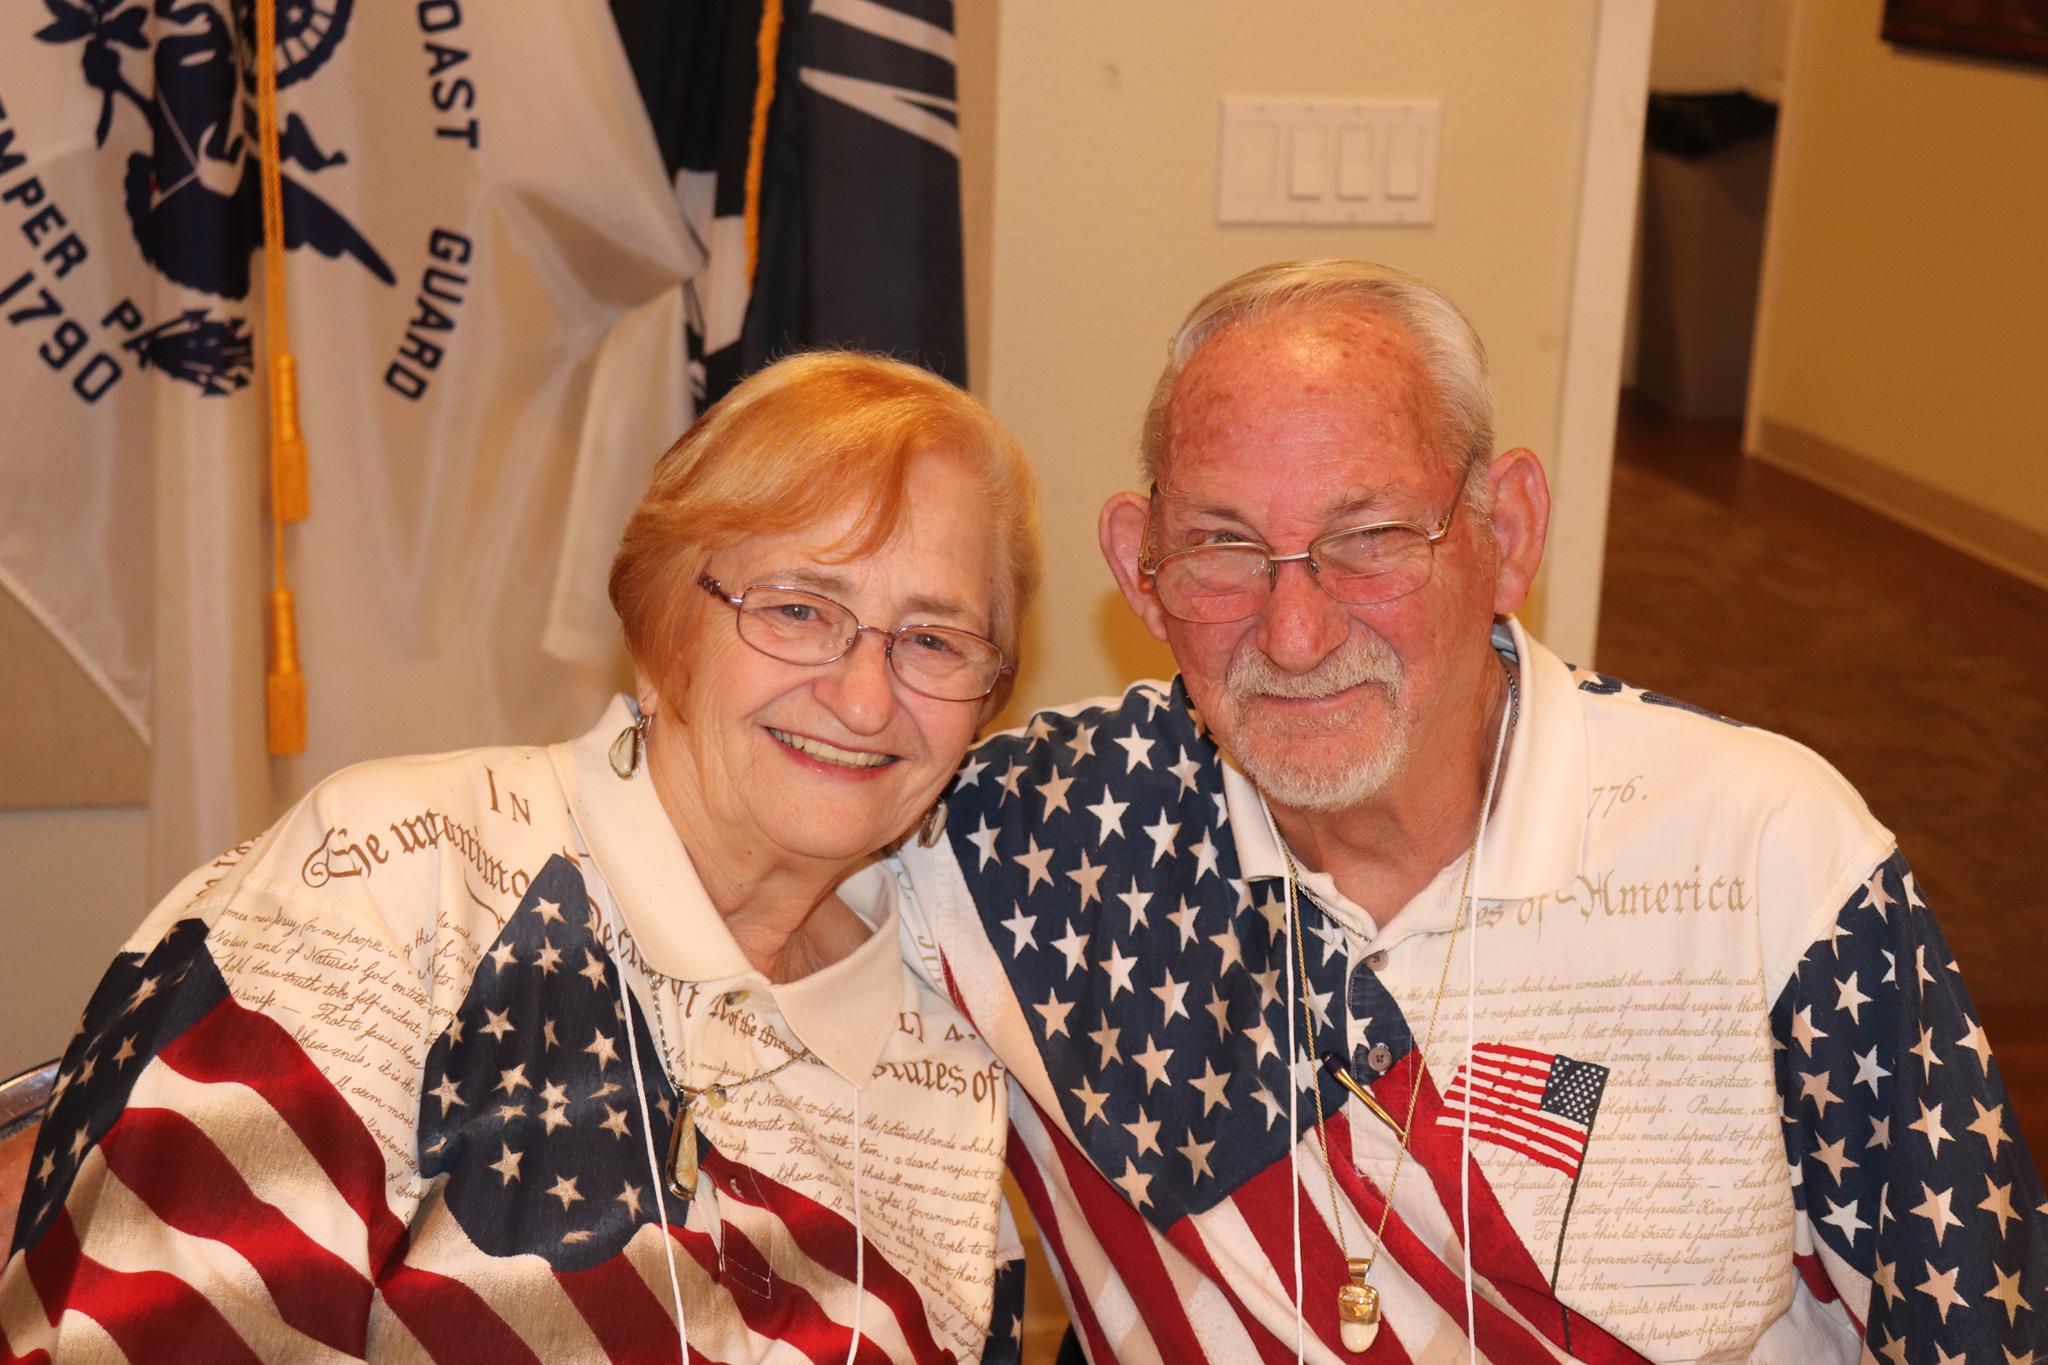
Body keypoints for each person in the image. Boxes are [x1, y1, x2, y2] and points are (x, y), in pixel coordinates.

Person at [893, 261, 2048, 1362]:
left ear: (1509, 532)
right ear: (1140, 568)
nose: (1292, 635)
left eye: (1371, 539)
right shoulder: (1029, 841)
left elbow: (1973, 1326)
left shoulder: (1760, 851)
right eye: (1222, 547)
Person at [2, 352, 1041, 1363]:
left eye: (933, 639)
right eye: (799, 609)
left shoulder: (954, 1059)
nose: (864, 698)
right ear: (664, 631)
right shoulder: (389, 877)